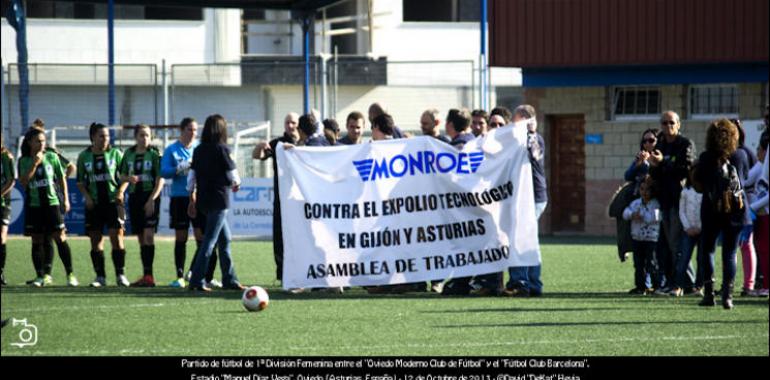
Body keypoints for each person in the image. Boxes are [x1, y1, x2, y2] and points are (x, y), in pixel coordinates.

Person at [693, 118, 748, 309]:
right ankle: (728, 296)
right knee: (730, 252)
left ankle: (709, 294)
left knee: (708, 250)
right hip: (736, 210)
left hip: (711, 209)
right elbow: (745, 178)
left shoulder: (706, 157)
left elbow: (698, 184)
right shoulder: (740, 155)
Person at [187, 114, 244, 292]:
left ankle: (230, 279)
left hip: (204, 199)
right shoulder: (222, 149)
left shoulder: (198, 149)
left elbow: (191, 176)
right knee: (210, 241)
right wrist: (236, 184)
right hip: (220, 199)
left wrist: (191, 195)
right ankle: (196, 280)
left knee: (224, 239)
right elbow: (233, 172)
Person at [161, 118, 219, 289]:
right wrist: (180, 168)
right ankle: (179, 276)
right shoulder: (172, 150)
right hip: (180, 198)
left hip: (200, 198)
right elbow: (163, 172)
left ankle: (198, 273)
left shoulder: (199, 148)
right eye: (189, 129)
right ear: (181, 130)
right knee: (181, 237)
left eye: (195, 129)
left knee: (202, 238)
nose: (193, 133)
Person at [19, 128, 76, 287]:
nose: (42, 143)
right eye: (38, 141)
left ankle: (70, 274)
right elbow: (23, 182)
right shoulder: (23, 160)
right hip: (34, 205)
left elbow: (61, 178)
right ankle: (40, 276)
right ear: (30, 142)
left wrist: (65, 199)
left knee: (60, 238)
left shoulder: (52, 156)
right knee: (36, 240)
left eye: (43, 141)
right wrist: (35, 163)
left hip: (52, 204)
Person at [648, 111, 696, 293]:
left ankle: (685, 284)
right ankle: (681, 283)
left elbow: (685, 170)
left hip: (680, 200)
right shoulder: (660, 145)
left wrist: (662, 164)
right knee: (668, 245)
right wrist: (654, 166)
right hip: (664, 201)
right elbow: (655, 174)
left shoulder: (685, 144)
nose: (668, 126)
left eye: (671, 123)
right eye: (664, 123)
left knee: (676, 243)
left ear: (679, 124)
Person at [502, 105, 547, 297]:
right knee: (526, 239)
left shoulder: (534, 139)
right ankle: (532, 283)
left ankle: (521, 282)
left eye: (517, 120)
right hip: (526, 195)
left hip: (533, 196)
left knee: (521, 239)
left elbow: (535, 154)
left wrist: (531, 133)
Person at [77, 123, 127, 287]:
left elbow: (126, 177)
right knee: (95, 240)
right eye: (101, 136)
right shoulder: (84, 156)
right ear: (93, 137)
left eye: (107, 136)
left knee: (116, 238)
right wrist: (87, 197)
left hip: (113, 203)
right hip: (94, 205)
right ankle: (100, 276)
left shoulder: (116, 154)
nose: (105, 139)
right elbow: (80, 182)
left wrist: (120, 192)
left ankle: (120, 275)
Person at [253, 112, 299, 284]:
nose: (290, 126)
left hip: (302, 199)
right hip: (281, 198)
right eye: (287, 122)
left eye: (293, 122)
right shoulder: (277, 143)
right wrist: (259, 146)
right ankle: (282, 273)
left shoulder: (305, 142)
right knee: (280, 236)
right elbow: (257, 156)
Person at [119, 125, 164, 287]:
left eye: (147, 135)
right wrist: (127, 178)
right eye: (141, 135)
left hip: (150, 197)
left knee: (149, 235)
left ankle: (150, 276)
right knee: (140, 237)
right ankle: (146, 275)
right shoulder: (129, 154)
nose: (144, 138)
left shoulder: (154, 154)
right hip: (134, 198)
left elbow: (160, 179)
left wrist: (152, 199)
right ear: (135, 137)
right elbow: (121, 175)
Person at [441, 109, 477, 295]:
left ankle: (462, 280)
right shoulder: (475, 142)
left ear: (450, 124)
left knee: (462, 242)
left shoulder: (458, 146)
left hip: (461, 203)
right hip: (473, 202)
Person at [731, 119, 759, 297]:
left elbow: (749, 179)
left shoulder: (743, 153)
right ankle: (734, 283)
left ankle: (748, 284)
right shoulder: (741, 152)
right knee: (738, 246)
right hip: (742, 204)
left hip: (746, 204)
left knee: (745, 245)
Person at [623, 177, 661, 295]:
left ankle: (656, 286)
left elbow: (656, 218)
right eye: (642, 189)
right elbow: (625, 213)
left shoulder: (655, 204)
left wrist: (642, 216)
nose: (644, 192)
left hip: (651, 239)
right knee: (638, 264)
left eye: (647, 190)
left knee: (652, 264)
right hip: (638, 238)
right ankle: (641, 286)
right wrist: (632, 214)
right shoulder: (635, 203)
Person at [671, 167, 704, 297]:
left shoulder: (705, 192)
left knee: (702, 259)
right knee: (683, 257)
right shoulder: (685, 191)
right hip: (688, 230)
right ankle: (678, 286)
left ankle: (698, 286)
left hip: (702, 230)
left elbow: (706, 212)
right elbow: (682, 211)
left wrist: (700, 227)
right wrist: (687, 227)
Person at [745, 129, 769, 296]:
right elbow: (745, 179)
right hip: (761, 213)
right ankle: (766, 283)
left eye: (760, 149)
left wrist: (751, 207)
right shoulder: (761, 164)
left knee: (765, 250)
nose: (757, 152)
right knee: (762, 249)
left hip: (765, 212)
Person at [1, 136, 15, 286]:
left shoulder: (6, 157)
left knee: (1, 237)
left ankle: (1, 272)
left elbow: (11, 180)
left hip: (3, 203)